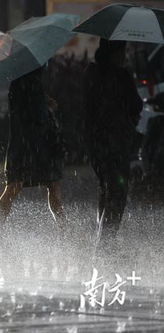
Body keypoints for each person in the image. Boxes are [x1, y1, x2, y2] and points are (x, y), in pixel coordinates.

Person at [82, 39, 142, 252]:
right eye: (122, 51)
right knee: (118, 192)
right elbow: (136, 105)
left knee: (105, 188)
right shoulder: (122, 75)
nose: (124, 55)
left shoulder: (91, 73)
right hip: (116, 143)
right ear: (114, 52)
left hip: (96, 143)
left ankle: (102, 238)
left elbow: (85, 107)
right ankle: (106, 244)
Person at [0, 66, 66, 229]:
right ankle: (64, 229)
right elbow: (38, 115)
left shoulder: (20, 81)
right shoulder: (29, 81)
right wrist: (47, 107)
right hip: (33, 145)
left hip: (26, 144)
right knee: (49, 186)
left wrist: (44, 100)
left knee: (15, 186)